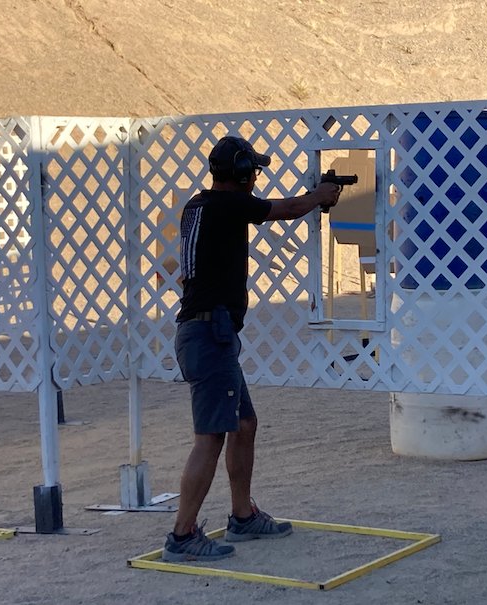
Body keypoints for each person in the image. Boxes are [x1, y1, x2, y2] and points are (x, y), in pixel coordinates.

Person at [162, 135, 341, 562]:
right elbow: (287, 209)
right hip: (210, 334)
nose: (256, 178)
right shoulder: (226, 206)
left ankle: (242, 516)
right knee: (210, 438)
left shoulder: (200, 205)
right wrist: (321, 195)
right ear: (242, 173)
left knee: (244, 424)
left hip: (209, 333)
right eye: (253, 171)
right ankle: (182, 535)